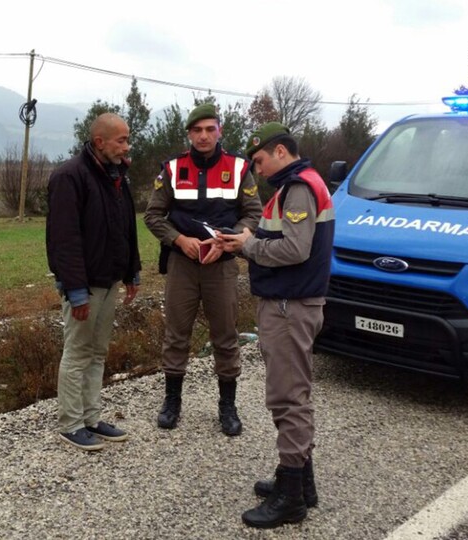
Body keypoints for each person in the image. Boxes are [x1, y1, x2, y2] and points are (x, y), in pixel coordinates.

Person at [217, 122, 334, 529]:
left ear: (281, 152)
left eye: (260, 159)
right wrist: (246, 238)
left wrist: (246, 246)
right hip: (291, 302)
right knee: (293, 392)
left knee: (287, 398)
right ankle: (302, 482)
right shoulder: (296, 186)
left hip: (290, 305)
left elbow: (295, 249)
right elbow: (283, 237)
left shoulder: (299, 187)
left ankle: (291, 497)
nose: (257, 168)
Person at [143, 103, 262, 436]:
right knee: (176, 335)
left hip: (221, 266)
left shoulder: (239, 168)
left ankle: (227, 406)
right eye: (197, 130)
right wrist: (179, 240)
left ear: (219, 130)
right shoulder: (171, 168)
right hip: (183, 263)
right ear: (189, 134)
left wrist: (230, 241)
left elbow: (254, 215)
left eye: (210, 129)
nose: (204, 136)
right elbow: (153, 216)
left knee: (225, 337)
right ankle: (172, 402)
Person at [46, 112, 141, 451]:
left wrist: (132, 271)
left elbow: (126, 227)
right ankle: (70, 424)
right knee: (77, 352)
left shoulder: (117, 177)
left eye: (127, 139)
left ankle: (91, 418)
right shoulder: (69, 177)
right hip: (83, 287)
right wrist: (75, 291)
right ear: (100, 142)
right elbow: (64, 239)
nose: (126, 146)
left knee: (97, 352)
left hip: (110, 280)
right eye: (121, 140)